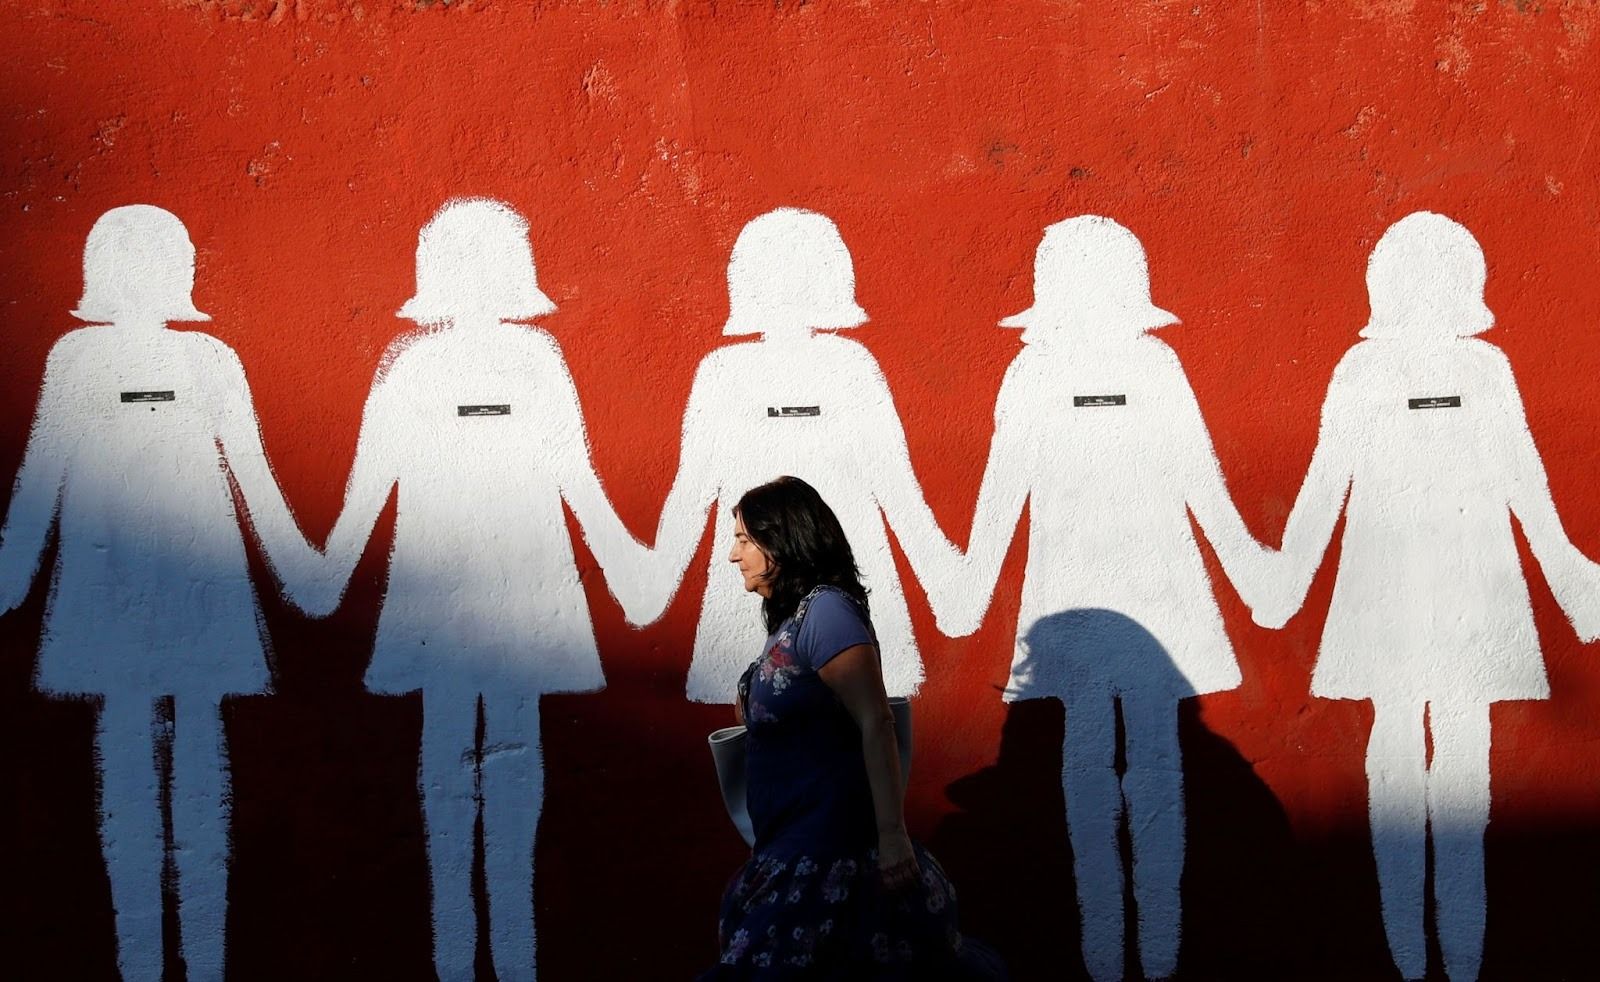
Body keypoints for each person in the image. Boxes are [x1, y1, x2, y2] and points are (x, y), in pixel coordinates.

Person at [291, 197, 652, 982]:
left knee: (467, 772)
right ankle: (475, 958)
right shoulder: (461, 362)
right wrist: (633, 574)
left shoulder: (469, 361)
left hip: (482, 600)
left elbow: (574, 478)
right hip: (479, 599)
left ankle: (484, 958)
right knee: (466, 775)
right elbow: (372, 486)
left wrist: (318, 575)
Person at [1255, 211, 1600, 982]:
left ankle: (1427, 963)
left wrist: (1284, 581)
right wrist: (1571, 577)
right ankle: (1428, 963)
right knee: (1430, 771)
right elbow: (1332, 483)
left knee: (1424, 768)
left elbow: (1520, 483)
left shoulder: (1432, 371)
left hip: (1426, 593)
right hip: (1440, 593)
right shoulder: (1455, 371)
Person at [941, 216, 1276, 982]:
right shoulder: (1139, 365)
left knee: (1104, 768)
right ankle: (1138, 958)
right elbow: (1007, 491)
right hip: (1141, 601)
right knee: (1134, 766)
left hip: (1088, 605)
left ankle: (1127, 958)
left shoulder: (1052, 371)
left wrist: (965, 592)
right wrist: (1257, 580)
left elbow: (1006, 495)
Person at [0, 205, 321, 981]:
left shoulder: (202, 360)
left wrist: (303, 572)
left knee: (176, 768)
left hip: (177, 584)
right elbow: (41, 476)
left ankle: (186, 961)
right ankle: (150, 959)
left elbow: (251, 473)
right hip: (145, 586)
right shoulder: (83, 361)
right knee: (146, 775)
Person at [636, 208, 963, 705]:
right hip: (771, 579)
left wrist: (947, 586)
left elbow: (896, 485)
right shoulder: (726, 371)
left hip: (826, 578)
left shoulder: (851, 366)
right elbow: (692, 489)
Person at [700, 476, 1003, 981]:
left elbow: (876, 720)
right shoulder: (794, 619)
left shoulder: (827, 614)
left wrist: (892, 838)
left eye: (745, 540)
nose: (734, 555)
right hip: (792, 851)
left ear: (784, 541)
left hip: (830, 861)